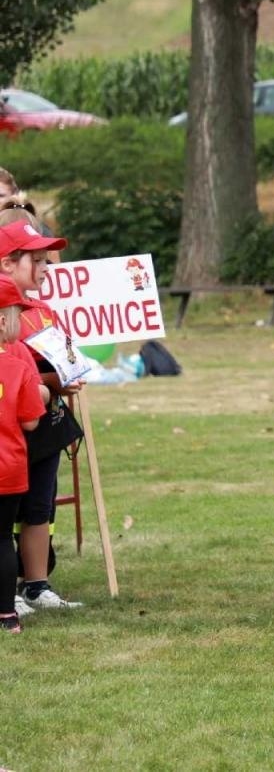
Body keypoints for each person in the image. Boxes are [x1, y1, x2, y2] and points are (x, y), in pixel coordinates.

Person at [1, 220, 84, 612]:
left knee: (40, 506)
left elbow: (57, 362)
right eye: (36, 260)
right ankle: (8, 592)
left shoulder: (43, 311)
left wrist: (63, 378)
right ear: (6, 264)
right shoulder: (4, 314)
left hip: (44, 424)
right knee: (6, 514)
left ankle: (36, 584)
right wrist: (45, 383)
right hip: (10, 429)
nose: (46, 267)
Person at [0, 276, 46, 635]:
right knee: (2, 539)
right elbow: (31, 422)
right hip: (10, 470)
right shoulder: (18, 367)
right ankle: (7, 616)